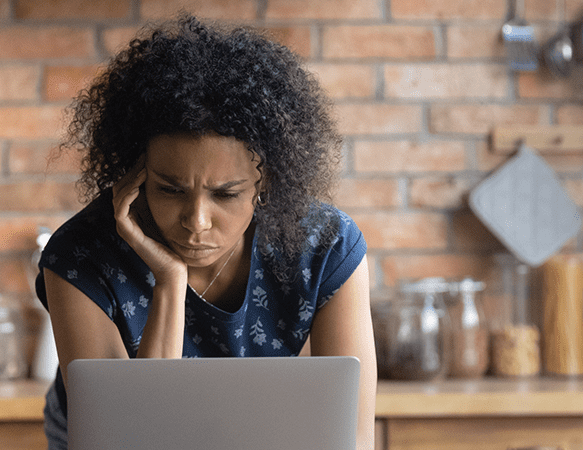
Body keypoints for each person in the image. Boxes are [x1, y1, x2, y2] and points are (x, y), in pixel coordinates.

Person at [36, 14, 376, 449]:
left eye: (226, 194)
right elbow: (131, 440)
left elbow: (353, 438)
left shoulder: (325, 247)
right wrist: (169, 282)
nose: (196, 221)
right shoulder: (80, 255)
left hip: (259, 432)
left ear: (265, 182)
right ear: (135, 173)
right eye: (170, 189)